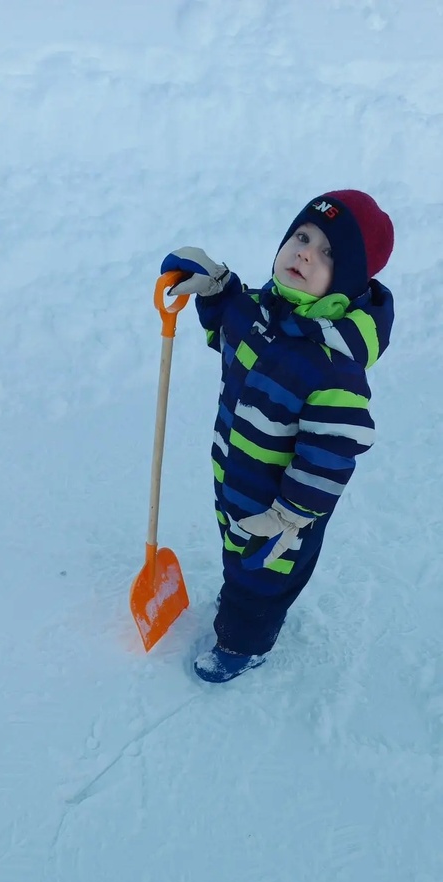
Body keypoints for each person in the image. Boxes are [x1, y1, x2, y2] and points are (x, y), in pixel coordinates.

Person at [160, 189, 395, 683]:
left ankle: (244, 645)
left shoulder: (335, 370)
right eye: (302, 236)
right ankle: (238, 595)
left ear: (348, 283)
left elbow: (331, 453)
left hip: (284, 513)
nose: (305, 252)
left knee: (264, 583)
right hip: (235, 479)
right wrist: (213, 286)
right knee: (238, 554)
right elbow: (230, 319)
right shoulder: (261, 314)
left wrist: (293, 514)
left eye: (329, 252)